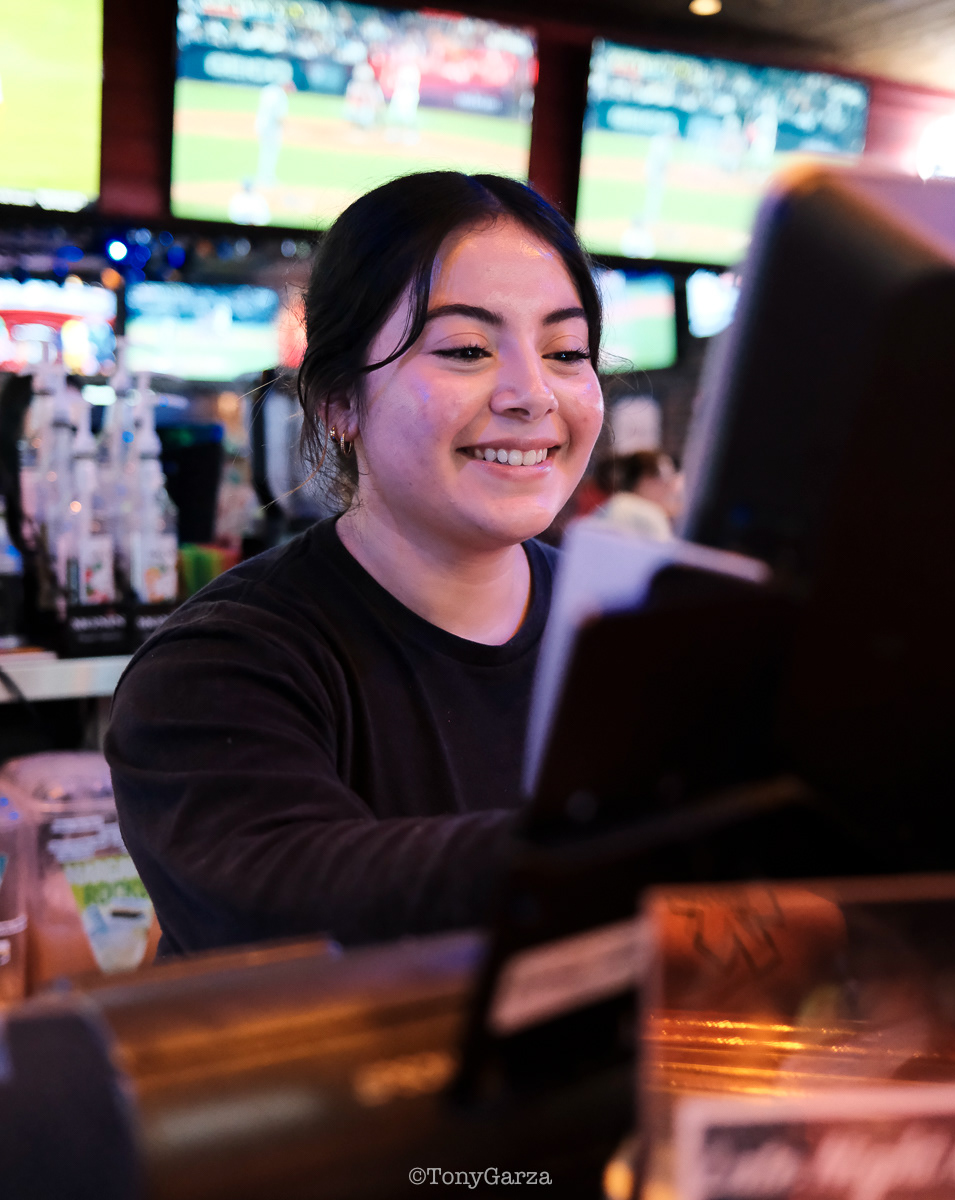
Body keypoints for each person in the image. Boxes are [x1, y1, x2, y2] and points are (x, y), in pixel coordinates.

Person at [105, 172, 604, 955]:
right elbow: (292, 910)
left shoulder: (630, 622)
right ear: (339, 400)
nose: (533, 394)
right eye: (467, 350)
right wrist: (630, 851)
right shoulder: (218, 666)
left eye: (566, 351)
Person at [586, 450, 683, 540]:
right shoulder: (650, 516)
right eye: (666, 480)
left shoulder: (616, 503)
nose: (671, 488)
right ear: (645, 480)